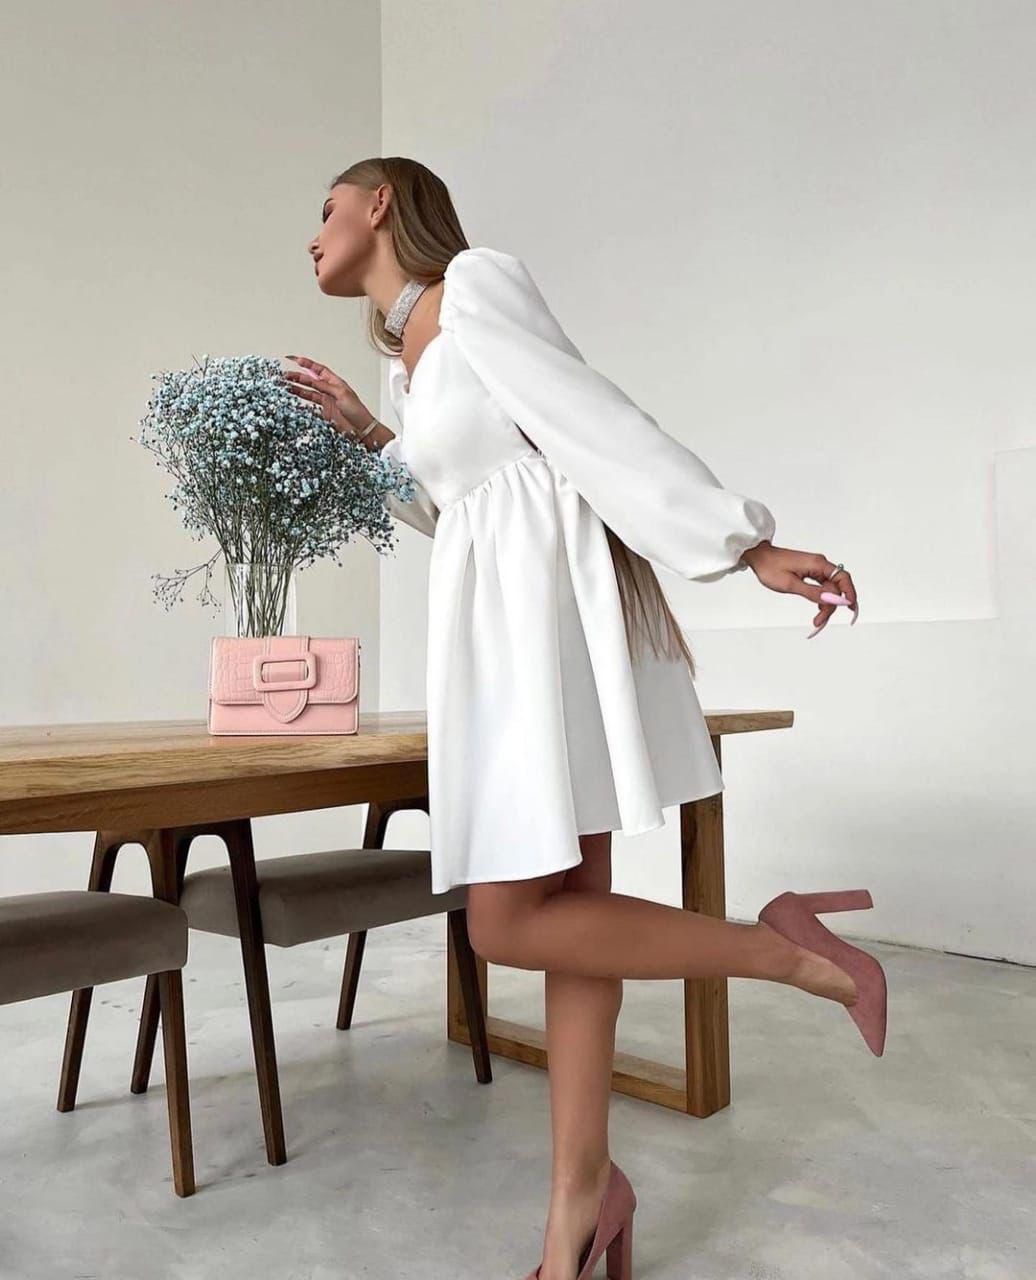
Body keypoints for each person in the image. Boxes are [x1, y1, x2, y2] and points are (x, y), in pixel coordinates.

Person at [285, 156, 885, 1280]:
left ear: (379, 204)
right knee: (565, 917)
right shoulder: (414, 368)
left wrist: (743, 543)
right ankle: (582, 1199)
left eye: (325, 210)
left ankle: (782, 950)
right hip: (502, 625)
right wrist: (374, 436)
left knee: (506, 922)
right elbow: (456, 504)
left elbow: (597, 421)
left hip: (548, 623)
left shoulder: (477, 284)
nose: (310, 235)